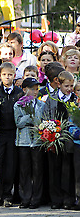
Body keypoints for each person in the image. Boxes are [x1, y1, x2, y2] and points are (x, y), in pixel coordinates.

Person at [0, 62, 24, 207]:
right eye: (4, 75)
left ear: (14, 76)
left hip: (13, 133)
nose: (7, 78)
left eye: (10, 75)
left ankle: (8, 195)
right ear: (0, 76)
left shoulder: (19, 93)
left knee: (10, 165)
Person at [42, 71, 77, 209]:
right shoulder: (52, 98)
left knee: (67, 170)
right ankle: (55, 199)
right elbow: (46, 115)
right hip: (53, 138)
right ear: (59, 84)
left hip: (69, 140)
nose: (69, 89)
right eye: (66, 86)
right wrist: (49, 130)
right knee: (54, 169)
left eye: (71, 86)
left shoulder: (74, 99)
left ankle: (68, 199)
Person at [14, 77, 44, 209]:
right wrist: (29, 116)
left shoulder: (42, 105)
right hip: (23, 141)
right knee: (24, 170)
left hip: (37, 142)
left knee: (37, 170)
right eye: (32, 89)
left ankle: (36, 198)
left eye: (37, 89)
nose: (35, 91)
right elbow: (18, 123)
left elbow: (42, 121)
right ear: (25, 90)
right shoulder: (18, 105)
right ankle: (25, 197)